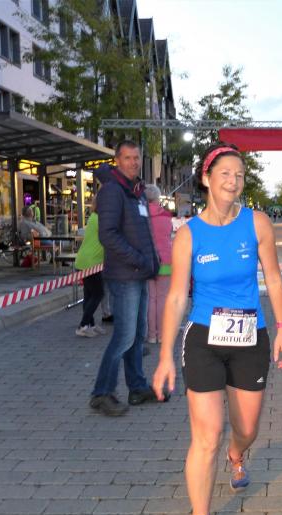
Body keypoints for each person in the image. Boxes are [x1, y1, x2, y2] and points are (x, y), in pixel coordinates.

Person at [152, 143, 282, 515]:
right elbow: (176, 297)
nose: (233, 181)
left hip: (250, 338)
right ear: (207, 178)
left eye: (239, 175)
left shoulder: (257, 223)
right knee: (207, 435)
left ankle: (237, 453)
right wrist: (164, 356)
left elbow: (274, 278)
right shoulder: (188, 235)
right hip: (204, 340)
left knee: (247, 429)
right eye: (225, 173)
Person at [90, 140, 163, 417]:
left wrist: (151, 260)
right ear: (117, 161)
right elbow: (107, 235)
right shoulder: (112, 190)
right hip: (125, 275)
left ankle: (137, 387)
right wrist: (139, 259)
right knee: (124, 337)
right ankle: (101, 393)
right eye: (128, 158)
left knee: (138, 335)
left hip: (139, 273)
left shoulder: (136, 191)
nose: (133, 162)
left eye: (136, 157)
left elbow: (142, 233)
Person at [145, 184, 173, 344]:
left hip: (148, 261)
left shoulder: (141, 215)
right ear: (157, 198)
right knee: (162, 298)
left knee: (151, 299)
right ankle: (162, 335)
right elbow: (169, 234)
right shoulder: (166, 215)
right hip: (166, 260)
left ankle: (151, 335)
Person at [74, 196, 106, 338]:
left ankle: (90, 324)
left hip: (84, 260)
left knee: (89, 295)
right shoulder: (101, 220)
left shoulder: (94, 217)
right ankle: (83, 325)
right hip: (92, 262)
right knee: (98, 293)